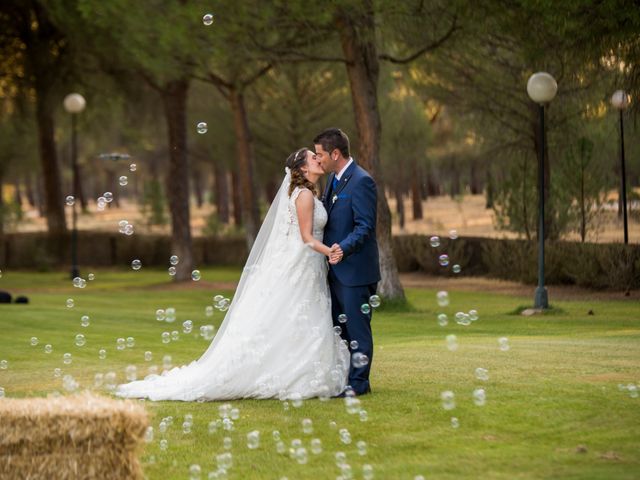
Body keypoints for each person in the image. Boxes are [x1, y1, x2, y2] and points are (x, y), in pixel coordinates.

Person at [116, 148, 349, 401]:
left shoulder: (308, 193)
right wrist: (331, 252)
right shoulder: (304, 195)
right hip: (303, 263)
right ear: (303, 169)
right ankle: (293, 372)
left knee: (295, 316)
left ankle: (296, 367)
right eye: (313, 158)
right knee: (298, 313)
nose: (318, 159)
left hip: (305, 266)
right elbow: (306, 238)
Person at [315, 128, 380, 396]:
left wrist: (343, 247)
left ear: (335, 153)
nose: (318, 159)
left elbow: (365, 226)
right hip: (336, 271)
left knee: (357, 331)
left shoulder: (362, 181)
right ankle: (344, 379)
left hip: (356, 272)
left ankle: (359, 384)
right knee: (339, 330)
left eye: (320, 155)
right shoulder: (334, 179)